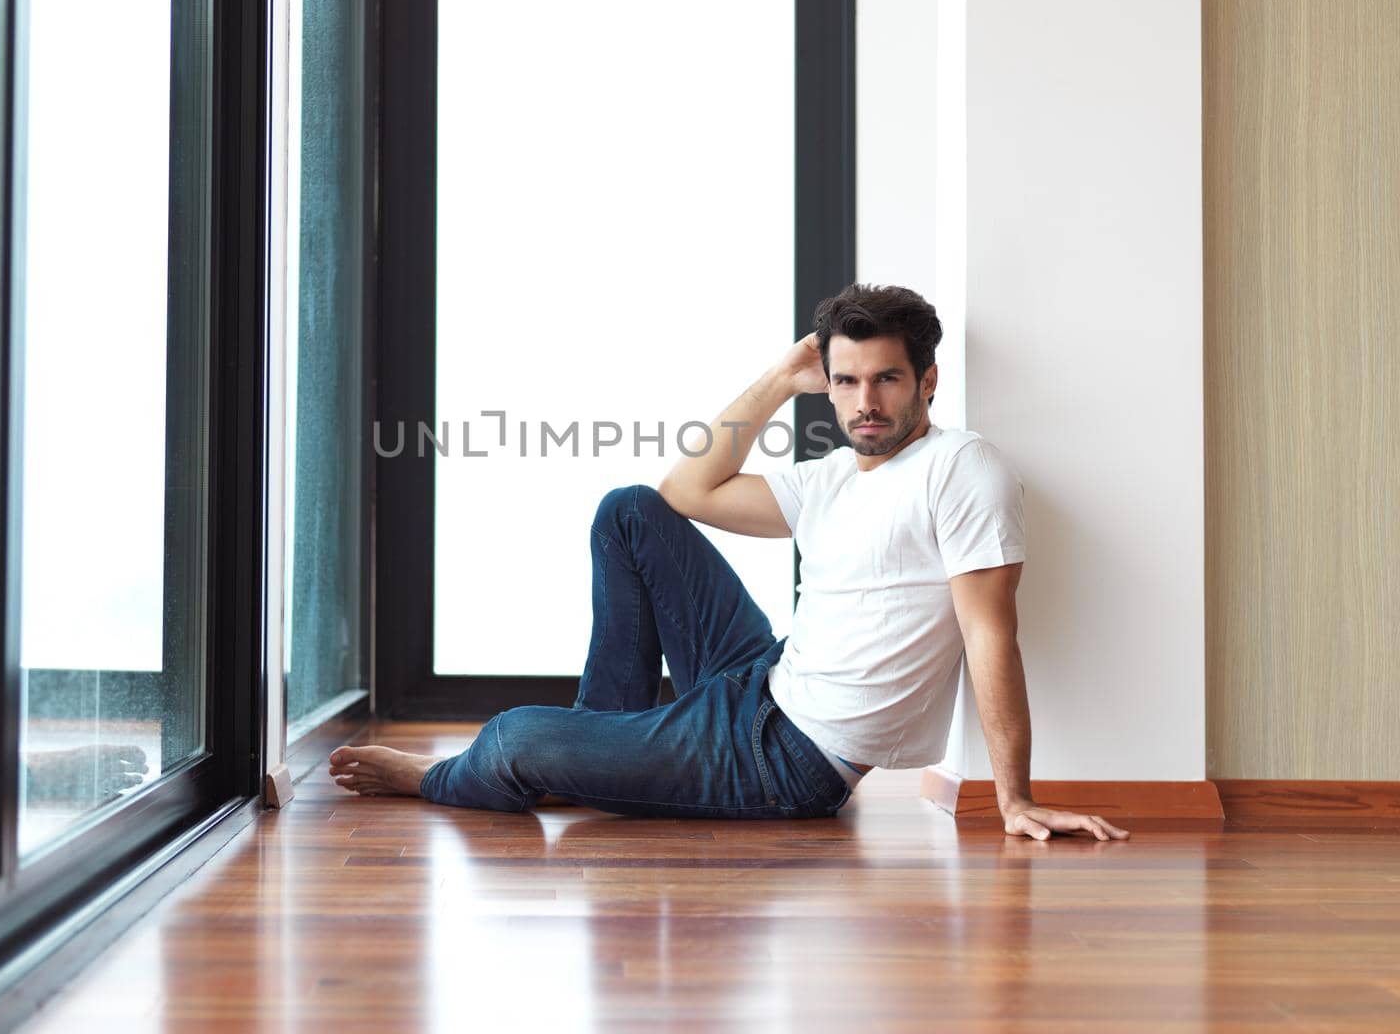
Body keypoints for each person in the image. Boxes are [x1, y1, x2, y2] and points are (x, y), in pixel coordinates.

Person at [331, 284, 1130, 841]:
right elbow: (685, 490)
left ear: (928, 380)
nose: (866, 403)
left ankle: (458, 775)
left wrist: (1015, 796)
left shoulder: (962, 470)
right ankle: (602, 747)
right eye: (846, 381)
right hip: (764, 681)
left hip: (788, 760)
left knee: (508, 740)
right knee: (629, 511)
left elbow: (992, 637)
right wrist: (782, 378)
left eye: (887, 379)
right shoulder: (831, 478)